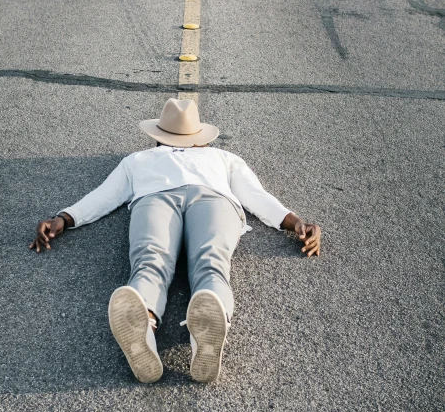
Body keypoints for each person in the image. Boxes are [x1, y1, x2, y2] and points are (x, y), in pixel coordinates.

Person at [30, 98, 321, 384]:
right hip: (213, 199)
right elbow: (256, 197)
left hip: (155, 198)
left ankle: (144, 318)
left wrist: (64, 218)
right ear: (200, 139)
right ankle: (208, 324)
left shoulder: (139, 159)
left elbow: (104, 196)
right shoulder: (223, 157)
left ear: (157, 139)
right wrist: (297, 223)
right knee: (211, 262)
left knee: (149, 262)